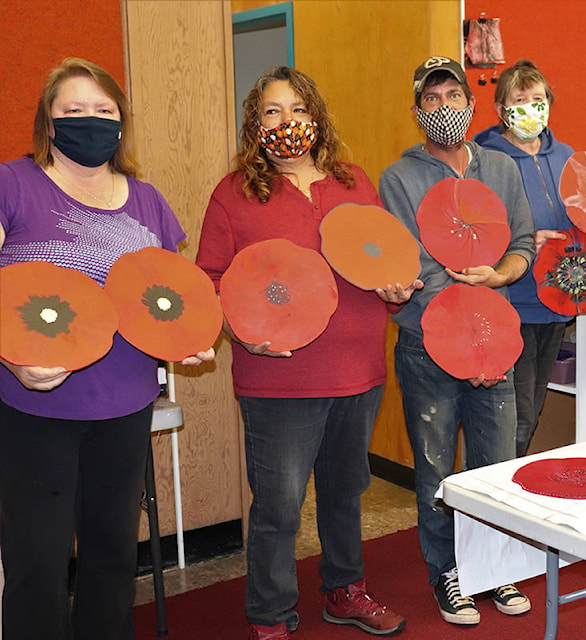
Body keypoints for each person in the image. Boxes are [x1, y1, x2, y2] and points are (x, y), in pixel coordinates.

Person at [196, 66, 415, 640]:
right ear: (255, 123)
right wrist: (239, 330)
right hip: (278, 379)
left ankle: (346, 591)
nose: (286, 121)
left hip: (358, 370)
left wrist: (394, 290)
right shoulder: (234, 193)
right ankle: (270, 612)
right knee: (279, 507)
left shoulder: (353, 181)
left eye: (297, 109)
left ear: (315, 117)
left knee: (346, 494)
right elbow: (210, 280)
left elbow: (382, 261)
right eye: (272, 111)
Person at [0, 57, 215, 640]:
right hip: (34, 409)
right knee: (37, 564)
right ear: (48, 120)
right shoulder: (12, 183)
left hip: (124, 404)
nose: (89, 120)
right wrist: (11, 359)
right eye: (72, 110)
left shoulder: (147, 200)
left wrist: (189, 338)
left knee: (113, 557)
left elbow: (171, 294)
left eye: (103, 110)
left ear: (121, 123)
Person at [379, 56, 535, 626]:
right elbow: (410, 262)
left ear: (471, 103)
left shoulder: (501, 168)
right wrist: (457, 305)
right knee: (437, 465)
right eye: (433, 98)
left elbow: (521, 244)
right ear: (419, 109)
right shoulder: (399, 177)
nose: (445, 107)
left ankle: (494, 567)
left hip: (495, 338)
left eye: (453, 95)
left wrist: (501, 274)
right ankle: (446, 570)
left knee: (496, 461)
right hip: (429, 342)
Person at [473, 60, 575, 458]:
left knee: (530, 409)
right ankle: (494, 495)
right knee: (514, 414)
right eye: (520, 99)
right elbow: (474, 228)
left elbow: (583, 215)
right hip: (512, 300)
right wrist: (525, 241)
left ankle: (508, 489)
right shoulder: (485, 160)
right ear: (501, 109)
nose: (531, 107)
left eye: (538, 98)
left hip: (557, 301)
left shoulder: (566, 156)